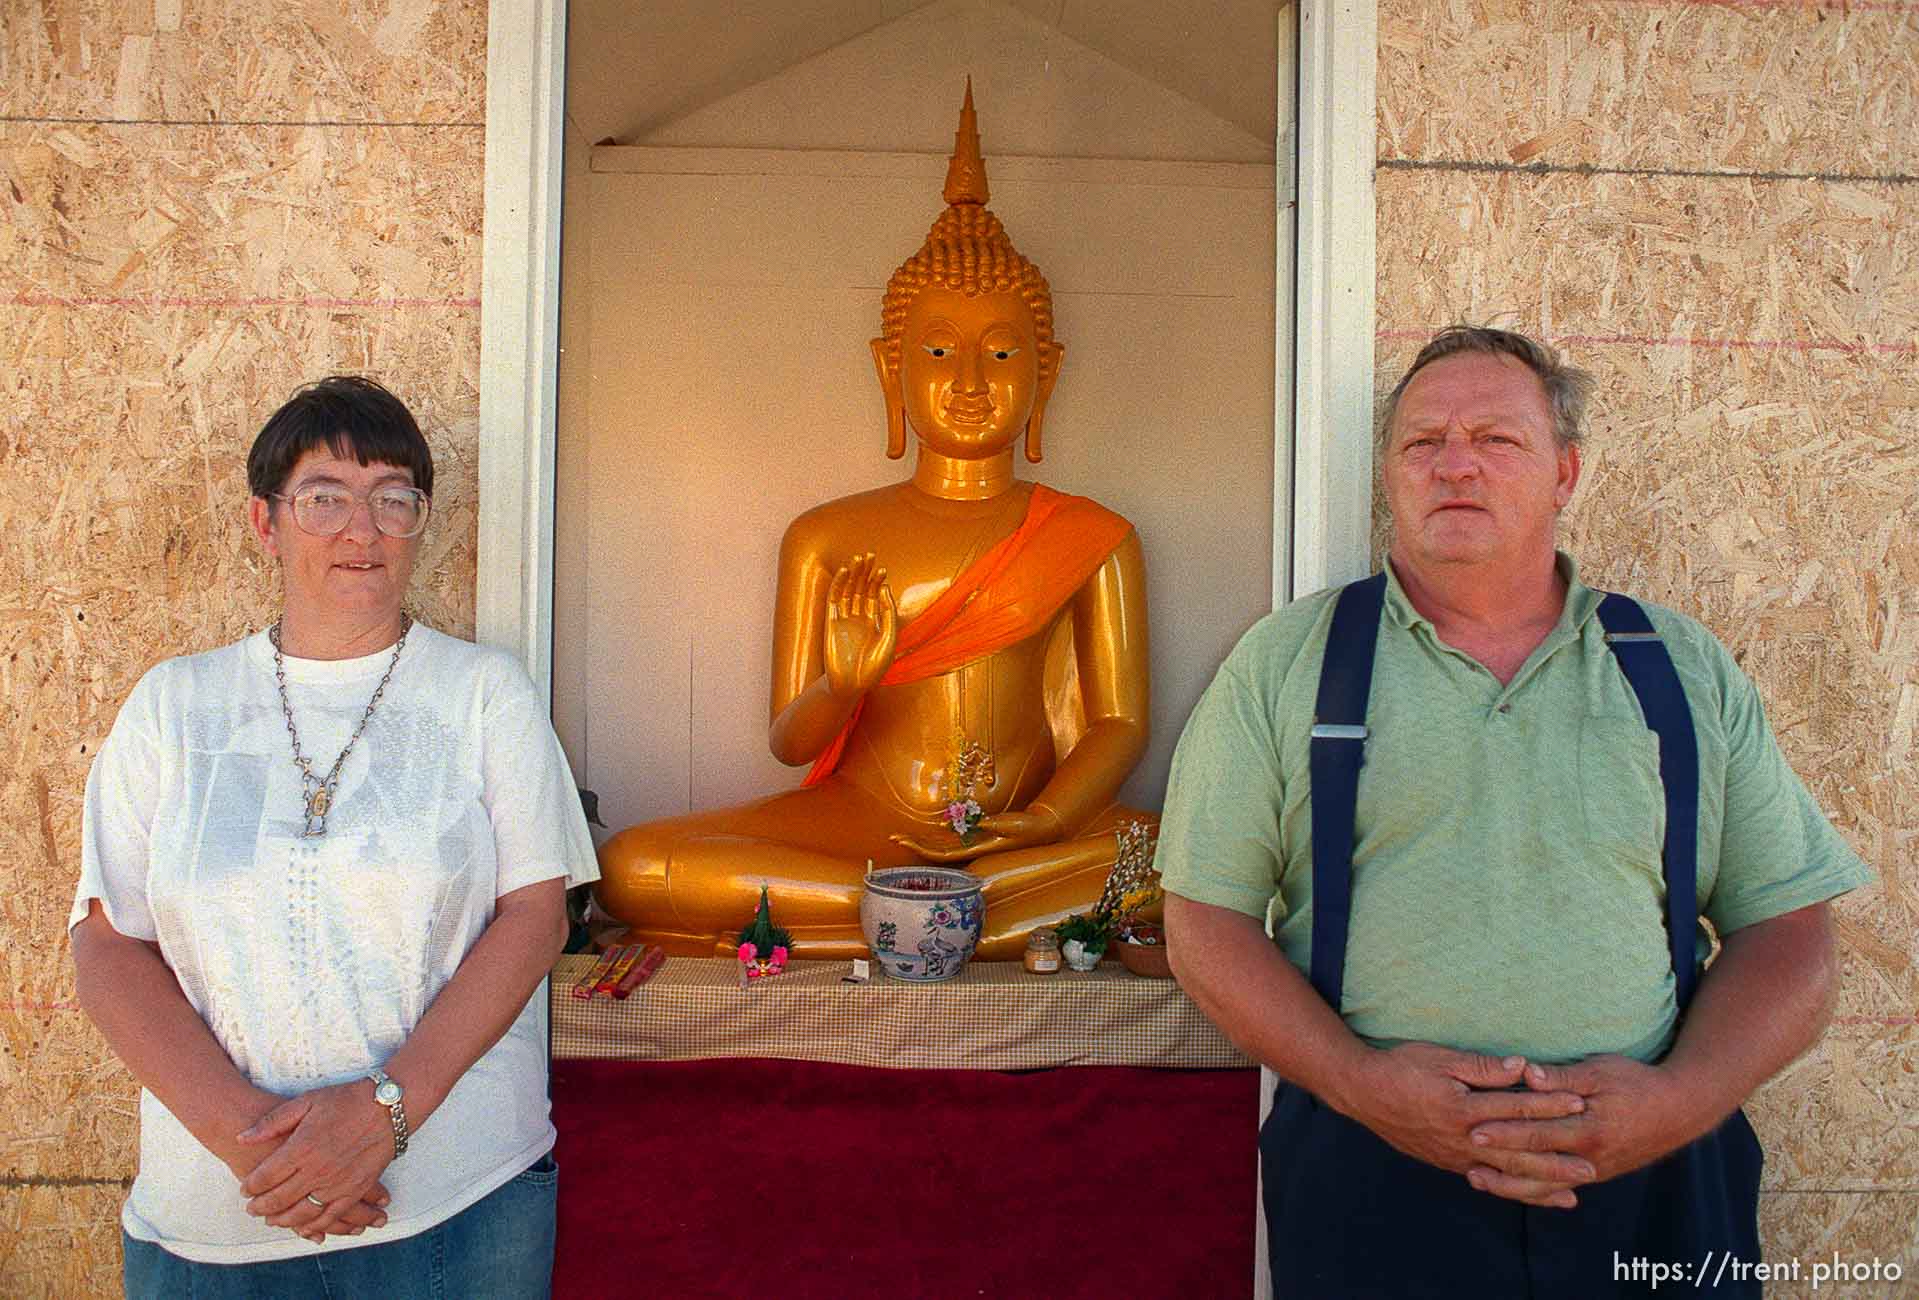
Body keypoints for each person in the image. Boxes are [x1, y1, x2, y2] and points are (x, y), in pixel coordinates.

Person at [1158, 326, 1873, 1297]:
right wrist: (1361, 1086)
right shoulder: (1286, 665)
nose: (1453, 463)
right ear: (1388, 474)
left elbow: (1787, 931)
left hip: (1654, 1180)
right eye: (1421, 443)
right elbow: (1203, 923)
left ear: (1563, 472)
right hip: (1374, 1174)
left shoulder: (1674, 667)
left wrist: (1678, 1100)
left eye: (1495, 439)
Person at [594, 83, 1152, 959]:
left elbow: (1118, 724)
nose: (969, 380)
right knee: (635, 867)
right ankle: (972, 915)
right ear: (891, 371)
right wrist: (844, 686)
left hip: (1028, 830)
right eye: (937, 352)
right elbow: (789, 743)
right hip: (858, 822)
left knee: (1184, 853)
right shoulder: (825, 536)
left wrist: (1041, 818)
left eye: (1002, 352)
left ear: (1047, 369)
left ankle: (904, 917)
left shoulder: (1094, 537)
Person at [69, 376, 598, 1298]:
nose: (363, 530)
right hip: (218, 1221)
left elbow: (535, 916)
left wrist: (383, 1117)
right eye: (324, 498)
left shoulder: (483, 696)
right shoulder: (174, 706)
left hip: (453, 1203)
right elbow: (111, 945)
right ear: (265, 524)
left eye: (394, 499)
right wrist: (262, 1148)